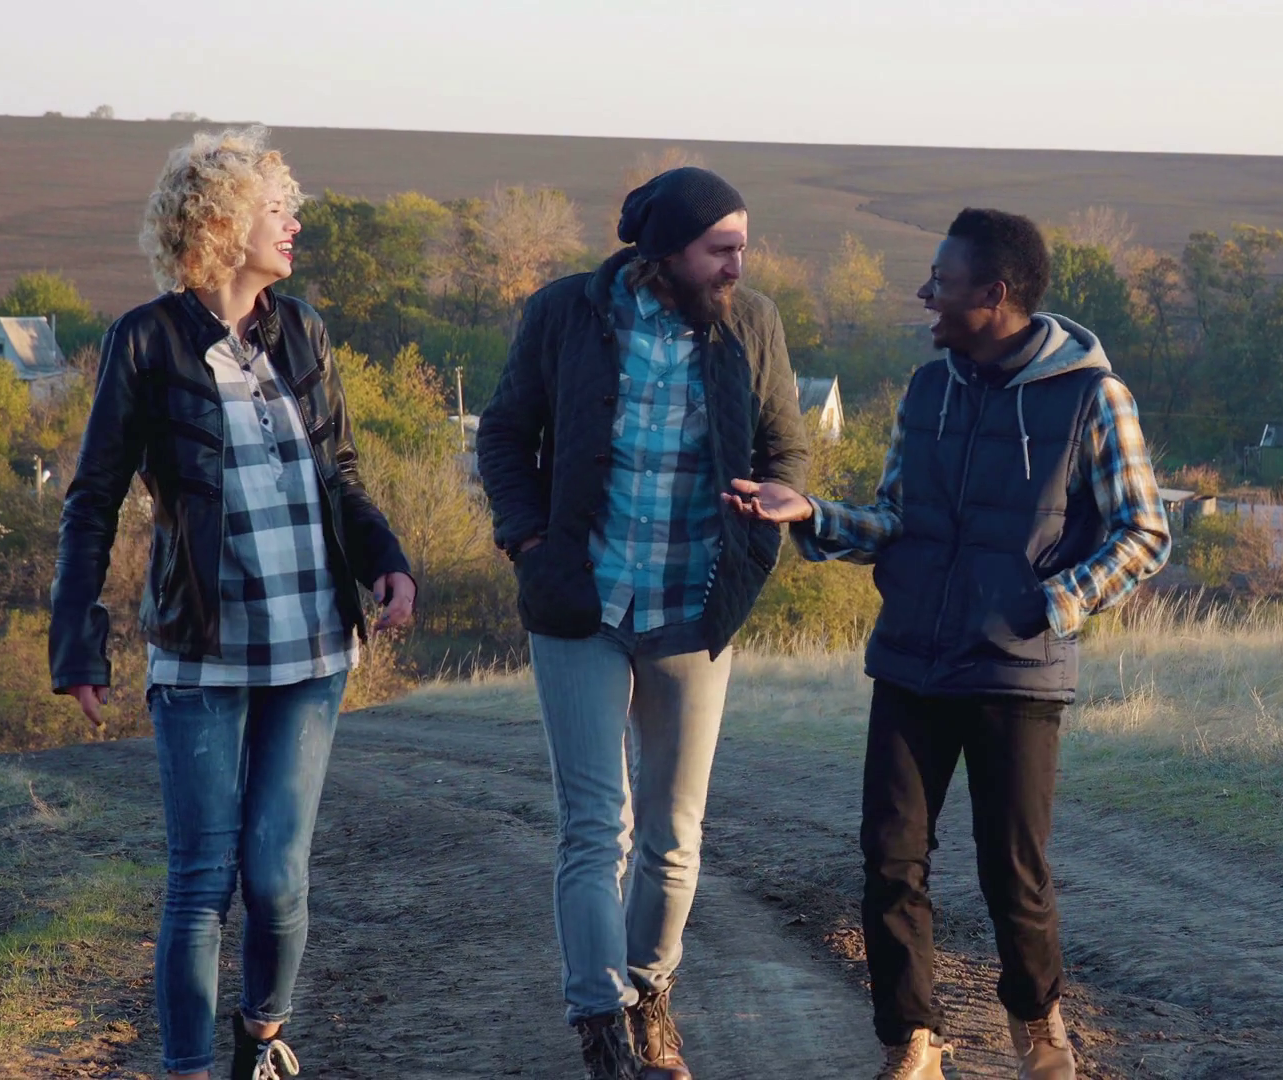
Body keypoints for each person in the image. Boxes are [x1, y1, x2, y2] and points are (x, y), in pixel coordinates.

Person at [725, 208, 1171, 1080]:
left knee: (1013, 873)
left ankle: (1037, 1026)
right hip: (911, 660)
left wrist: (1048, 604)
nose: (925, 294)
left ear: (994, 294)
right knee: (890, 862)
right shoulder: (928, 390)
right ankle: (914, 1043)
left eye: (942, 281)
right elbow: (897, 520)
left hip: (1017, 671)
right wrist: (811, 513)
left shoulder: (1093, 397)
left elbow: (1145, 533)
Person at [49, 126, 416, 1080]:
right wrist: (78, 642)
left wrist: (387, 561)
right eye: (276, 209)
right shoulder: (146, 342)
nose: (293, 225)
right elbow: (92, 501)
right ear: (219, 222)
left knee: (277, 878)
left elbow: (340, 471)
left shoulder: (303, 331)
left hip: (314, 645)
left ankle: (262, 1035)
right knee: (201, 880)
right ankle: (185, 1067)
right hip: (200, 650)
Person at [476, 166, 811, 1080]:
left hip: (695, 610)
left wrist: (777, 503)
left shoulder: (753, 324)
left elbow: (786, 445)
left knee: (673, 834)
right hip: (580, 604)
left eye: (742, 247)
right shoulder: (566, 313)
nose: (737, 265)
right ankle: (602, 1031)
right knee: (595, 826)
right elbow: (503, 432)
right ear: (665, 249)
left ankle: (649, 990)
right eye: (721, 249)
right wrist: (528, 539)